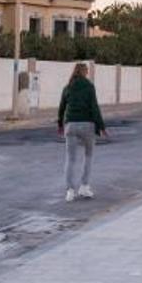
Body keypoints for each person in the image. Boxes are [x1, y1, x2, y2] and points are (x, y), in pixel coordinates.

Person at [57, 62, 106, 202]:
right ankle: (84, 186)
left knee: (70, 159)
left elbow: (61, 108)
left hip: (71, 125)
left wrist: (60, 125)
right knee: (88, 156)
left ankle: (70, 191)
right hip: (87, 125)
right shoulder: (89, 87)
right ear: (85, 72)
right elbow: (94, 107)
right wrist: (101, 126)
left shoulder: (67, 87)